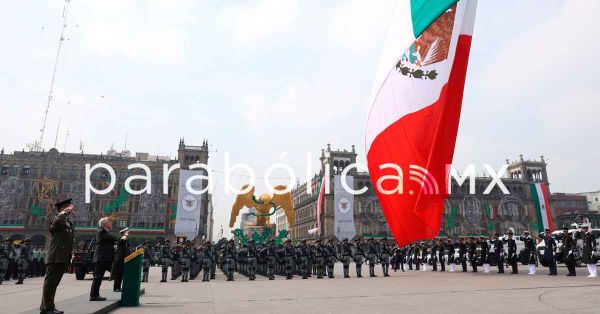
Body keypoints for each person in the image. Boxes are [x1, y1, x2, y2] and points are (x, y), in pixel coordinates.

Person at [40, 198, 75, 314]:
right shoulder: (56, 218)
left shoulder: (67, 222)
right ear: (61, 208)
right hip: (55, 256)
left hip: (62, 257)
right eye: (67, 207)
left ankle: (49, 306)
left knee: (54, 283)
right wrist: (63, 213)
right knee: (50, 282)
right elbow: (55, 225)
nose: (70, 208)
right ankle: (46, 308)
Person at [90, 217, 120, 301]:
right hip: (101, 258)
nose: (109, 223)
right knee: (98, 277)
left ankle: (95, 295)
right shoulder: (101, 231)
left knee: (100, 277)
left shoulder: (105, 232)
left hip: (105, 258)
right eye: (108, 222)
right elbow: (112, 237)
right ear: (104, 224)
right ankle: (93, 295)